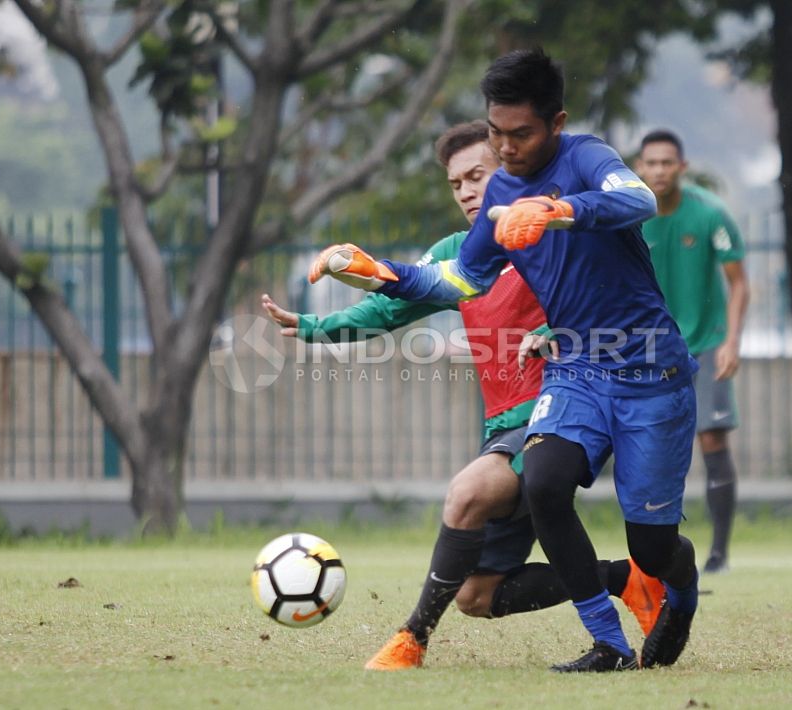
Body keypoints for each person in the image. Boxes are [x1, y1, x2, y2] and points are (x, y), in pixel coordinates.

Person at [307, 49, 700, 673]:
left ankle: (678, 589)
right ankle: (609, 645)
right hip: (577, 370)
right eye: (497, 134)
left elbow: (638, 199)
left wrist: (558, 210)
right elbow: (461, 279)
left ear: (556, 123)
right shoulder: (502, 194)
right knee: (543, 483)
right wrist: (379, 273)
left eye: (521, 134)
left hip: (651, 370)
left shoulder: (586, 156)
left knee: (652, 548)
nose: (508, 148)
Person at [632, 130, 750, 574]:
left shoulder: (711, 215)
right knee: (653, 443)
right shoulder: (631, 216)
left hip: (706, 339)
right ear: (640, 168)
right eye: (651, 163)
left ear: (682, 167)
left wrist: (732, 341)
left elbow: (739, 282)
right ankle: (658, 549)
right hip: (652, 348)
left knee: (712, 438)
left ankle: (719, 553)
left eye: (667, 163)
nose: (659, 170)